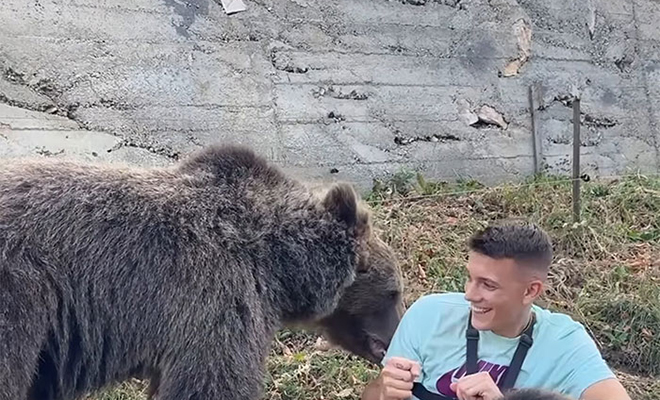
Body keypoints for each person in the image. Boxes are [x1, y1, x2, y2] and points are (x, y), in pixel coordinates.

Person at [361, 220, 631, 400]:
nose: (469, 294)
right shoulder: (428, 315)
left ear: (530, 291)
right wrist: (383, 390)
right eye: (470, 278)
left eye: (488, 285)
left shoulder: (564, 345)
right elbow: (370, 395)